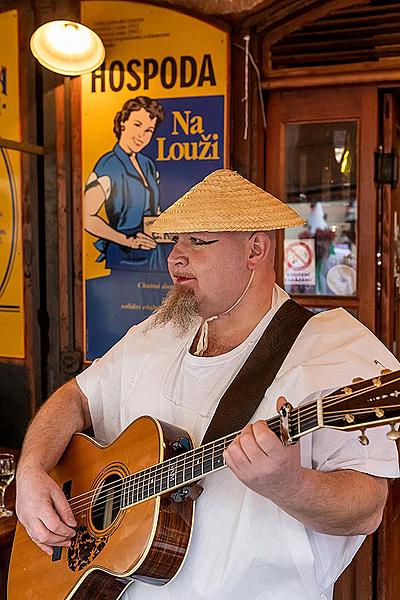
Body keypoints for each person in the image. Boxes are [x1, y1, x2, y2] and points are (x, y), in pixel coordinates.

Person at [16, 169, 400, 600]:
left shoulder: (331, 351)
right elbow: (76, 397)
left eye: (197, 242)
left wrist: (289, 484)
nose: (176, 258)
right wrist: (31, 470)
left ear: (255, 249)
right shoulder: (159, 332)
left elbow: (367, 508)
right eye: (174, 242)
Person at [83, 95, 167, 272]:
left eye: (148, 130)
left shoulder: (147, 164)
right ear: (123, 123)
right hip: (124, 256)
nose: (141, 136)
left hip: (153, 255)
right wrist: (127, 240)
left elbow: (152, 209)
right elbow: (87, 218)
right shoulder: (108, 165)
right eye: (137, 125)